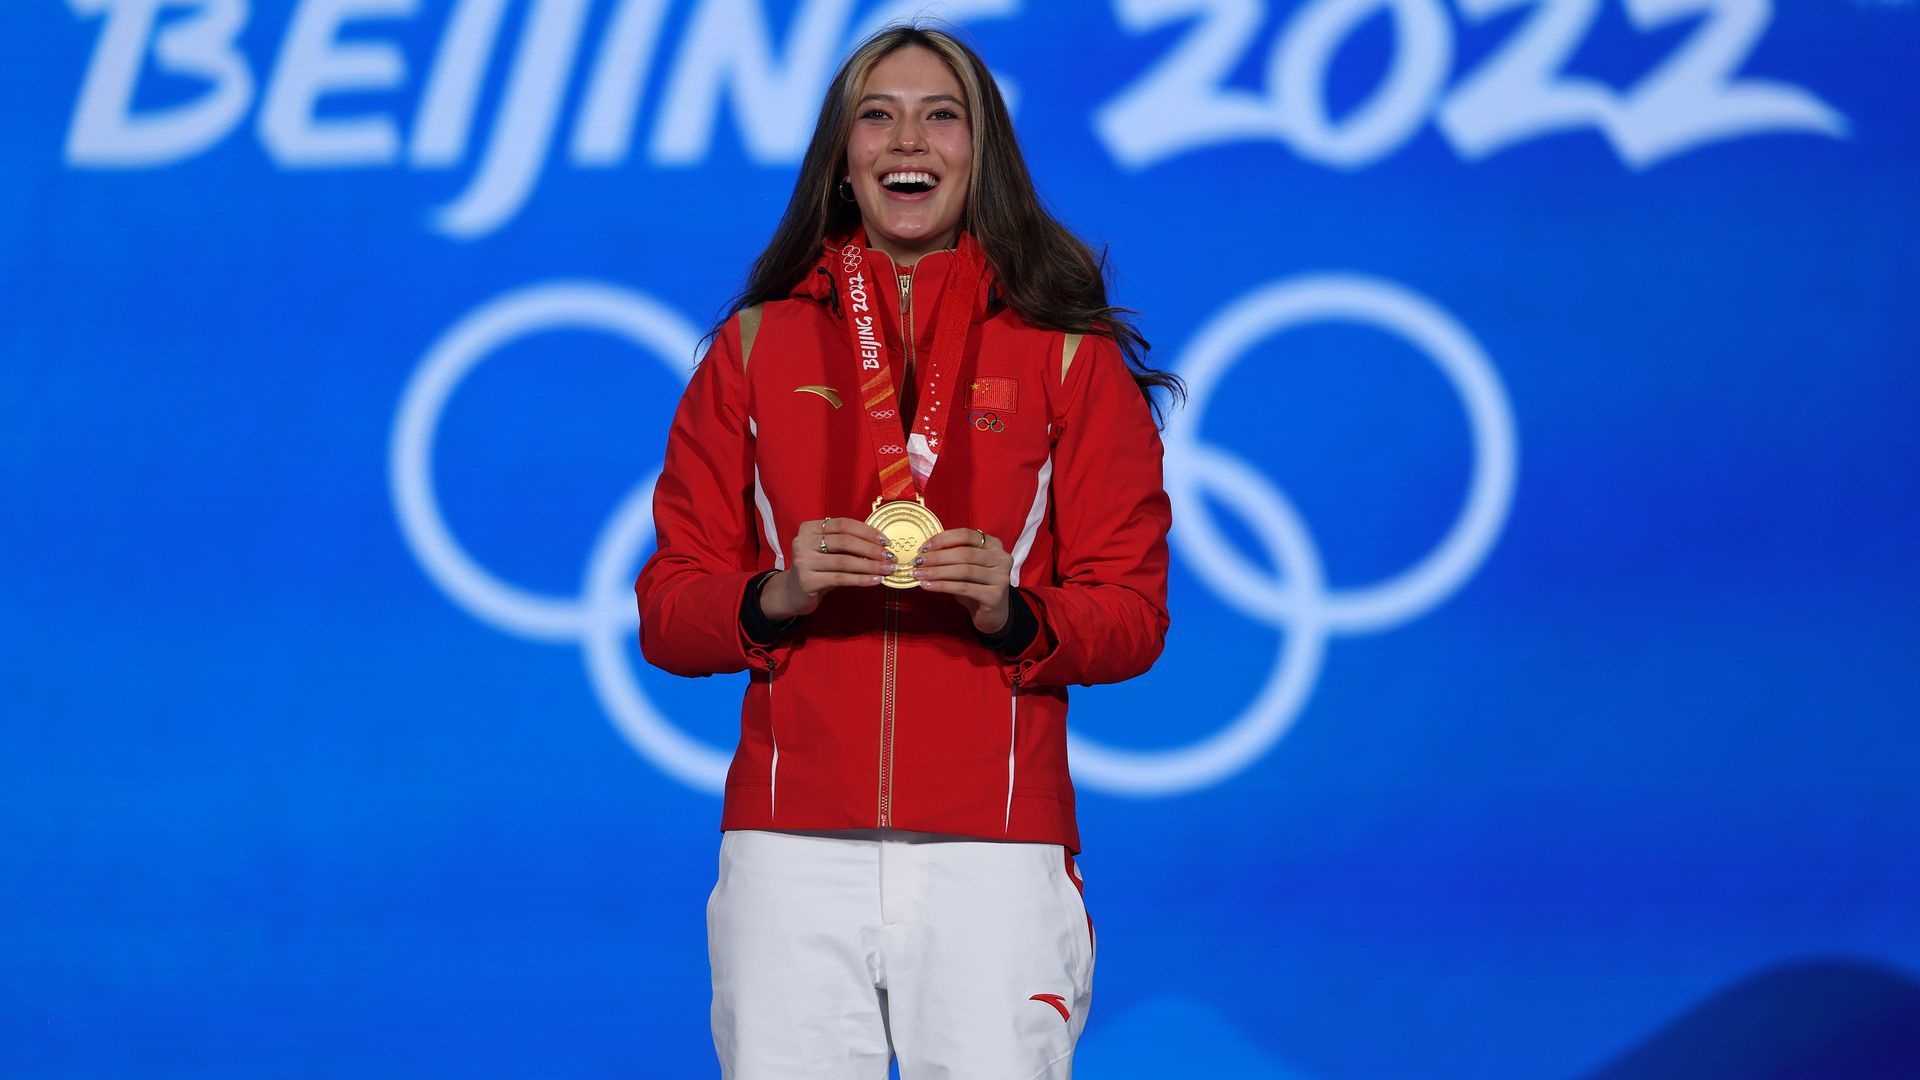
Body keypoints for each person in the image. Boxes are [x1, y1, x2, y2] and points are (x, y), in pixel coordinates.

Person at [633, 22, 1179, 1079]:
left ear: (983, 152)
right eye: (874, 115)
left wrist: (1018, 611)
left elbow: (1133, 615)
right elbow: (668, 605)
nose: (905, 138)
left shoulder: (1068, 355)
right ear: (840, 158)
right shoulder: (753, 349)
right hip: (791, 850)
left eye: (941, 114)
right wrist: (775, 593)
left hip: (996, 848)